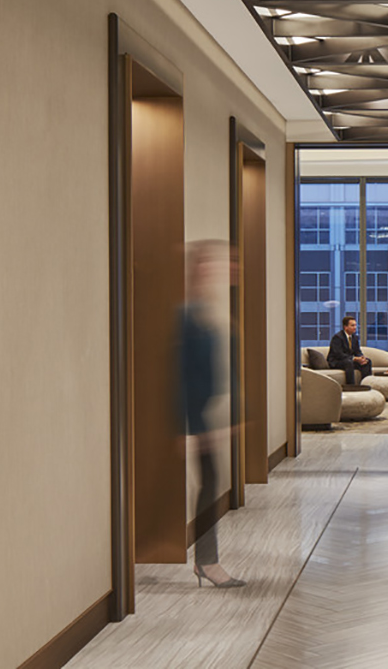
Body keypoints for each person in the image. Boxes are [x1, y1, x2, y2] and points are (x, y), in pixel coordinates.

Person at [172, 241, 245, 589]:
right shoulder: (186, 314)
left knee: (209, 484)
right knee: (209, 486)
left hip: (210, 415)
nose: (227, 269)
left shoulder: (208, 309)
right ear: (198, 268)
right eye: (217, 263)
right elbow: (181, 374)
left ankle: (207, 561)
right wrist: (190, 427)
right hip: (197, 417)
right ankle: (207, 562)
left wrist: (233, 417)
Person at [328, 315, 371, 385]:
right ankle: (351, 386)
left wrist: (361, 357)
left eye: (355, 325)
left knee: (367, 362)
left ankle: (365, 384)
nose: (355, 327)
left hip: (349, 360)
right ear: (345, 327)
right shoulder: (337, 337)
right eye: (352, 325)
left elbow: (357, 351)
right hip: (337, 361)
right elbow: (338, 354)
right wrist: (354, 358)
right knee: (349, 362)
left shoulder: (354, 337)